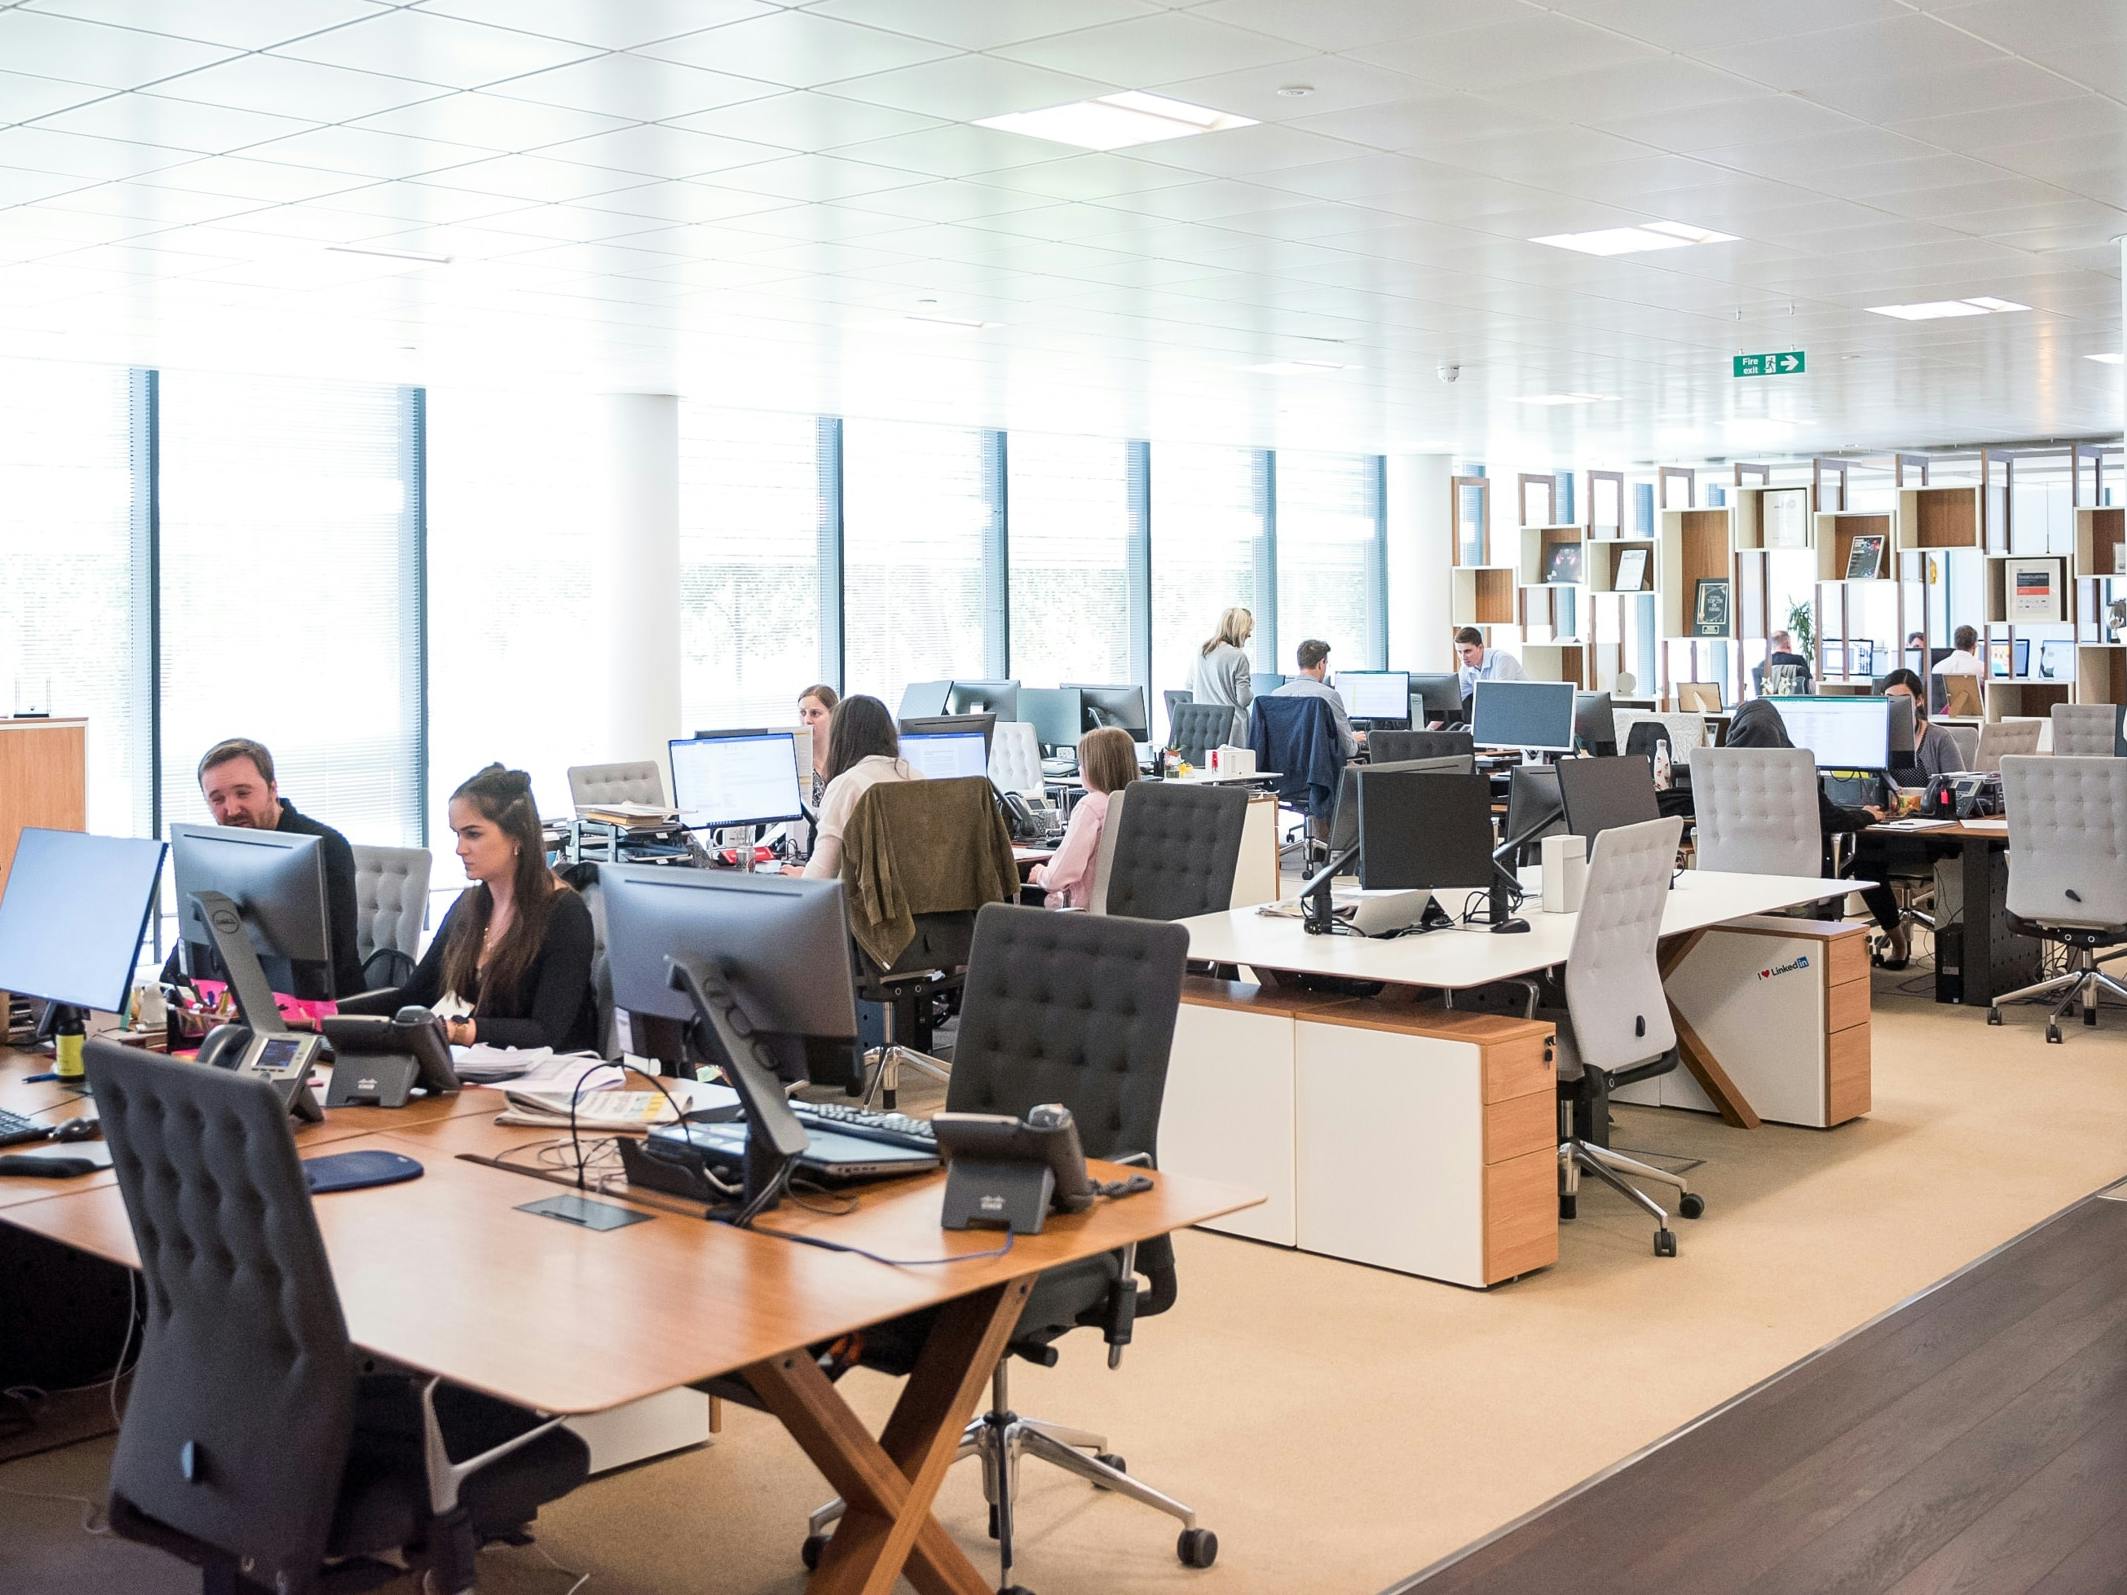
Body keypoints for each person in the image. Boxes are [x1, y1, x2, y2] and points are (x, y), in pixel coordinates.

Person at [340, 765, 597, 1052]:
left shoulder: (564, 914)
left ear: (517, 838)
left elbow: (546, 1032)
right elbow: (412, 997)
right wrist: (320, 1015)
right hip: (478, 1068)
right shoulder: (469, 906)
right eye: (457, 835)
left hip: (547, 1078)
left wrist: (455, 1030)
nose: (460, 848)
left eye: (473, 835)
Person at [165, 737, 364, 1001]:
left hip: (327, 1012)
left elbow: (332, 956)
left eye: (243, 793)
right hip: (245, 1002)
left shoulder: (324, 846)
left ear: (273, 788)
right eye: (217, 799)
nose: (231, 809)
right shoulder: (218, 851)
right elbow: (197, 938)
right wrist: (164, 989)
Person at [1725, 699, 1912, 964]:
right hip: (1798, 874)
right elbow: (1832, 819)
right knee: (1868, 857)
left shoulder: (1719, 772)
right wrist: (1866, 815)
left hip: (1737, 877)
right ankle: (1897, 943)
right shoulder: (1792, 769)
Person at [804, 694, 921, 881]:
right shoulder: (916, 777)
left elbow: (819, 877)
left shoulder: (848, 785)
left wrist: (797, 878)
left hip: (867, 907)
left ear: (840, 737)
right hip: (919, 903)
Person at [1028, 727, 1135, 909]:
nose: (1079, 769)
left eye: (1082, 763)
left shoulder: (1091, 806)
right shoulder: (1137, 803)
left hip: (1081, 915)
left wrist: (1039, 873)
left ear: (1093, 767)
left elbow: (1056, 879)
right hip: (1123, 913)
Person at [1272, 639, 1361, 760]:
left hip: (1280, 773)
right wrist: (1353, 740)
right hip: (1318, 773)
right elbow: (1347, 749)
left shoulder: (1275, 696)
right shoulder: (1328, 696)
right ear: (1321, 663)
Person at [1882, 668, 1965, 785]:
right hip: (1887, 803)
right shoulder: (1878, 736)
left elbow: (1958, 786)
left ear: (1919, 700)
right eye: (1889, 698)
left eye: (1903, 699)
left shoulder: (1939, 738)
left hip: (1929, 803)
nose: (1896, 705)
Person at [1187, 606, 1255, 743]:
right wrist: (1252, 693)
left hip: (1204, 724)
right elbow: (1244, 699)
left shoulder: (1201, 651)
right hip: (1232, 727)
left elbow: (1189, 685)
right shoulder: (1238, 656)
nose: (1249, 635)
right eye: (1247, 630)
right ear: (1239, 630)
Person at [796, 682, 839, 807]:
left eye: (815, 713)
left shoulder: (846, 760)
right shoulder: (794, 762)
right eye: (803, 713)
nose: (807, 720)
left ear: (833, 716)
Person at [1454, 626, 1524, 701]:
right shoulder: (1465, 667)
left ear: (1480, 647)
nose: (1463, 657)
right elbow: (1458, 699)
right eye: (1459, 652)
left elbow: (1501, 697)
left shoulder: (1502, 660)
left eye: (1467, 651)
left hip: (1522, 705)